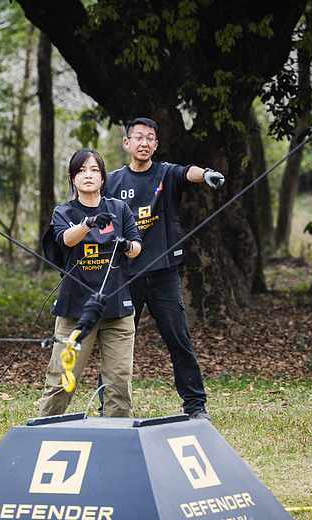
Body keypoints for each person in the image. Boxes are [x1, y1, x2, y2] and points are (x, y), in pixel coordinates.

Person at [103, 117, 225, 420]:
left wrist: (207, 174)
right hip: (125, 275)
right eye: (138, 138)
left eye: (150, 139)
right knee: (117, 345)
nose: (144, 143)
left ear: (156, 145)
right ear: (127, 143)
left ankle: (196, 406)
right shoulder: (114, 181)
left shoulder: (165, 174)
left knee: (179, 340)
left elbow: (188, 173)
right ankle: (112, 409)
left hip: (163, 274)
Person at [39, 148, 142, 418]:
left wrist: (127, 245)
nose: (88, 175)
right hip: (76, 310)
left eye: (94, 170)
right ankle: (44, 432)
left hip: (118, 309)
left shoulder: (119, 209)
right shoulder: (64, 212)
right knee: (63, 379)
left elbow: (137, 247)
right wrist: (88, 222)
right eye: (82, 170)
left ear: (103, 177)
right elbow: (66, 240)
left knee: (119, 383)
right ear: (72, 178)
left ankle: (116, 441)